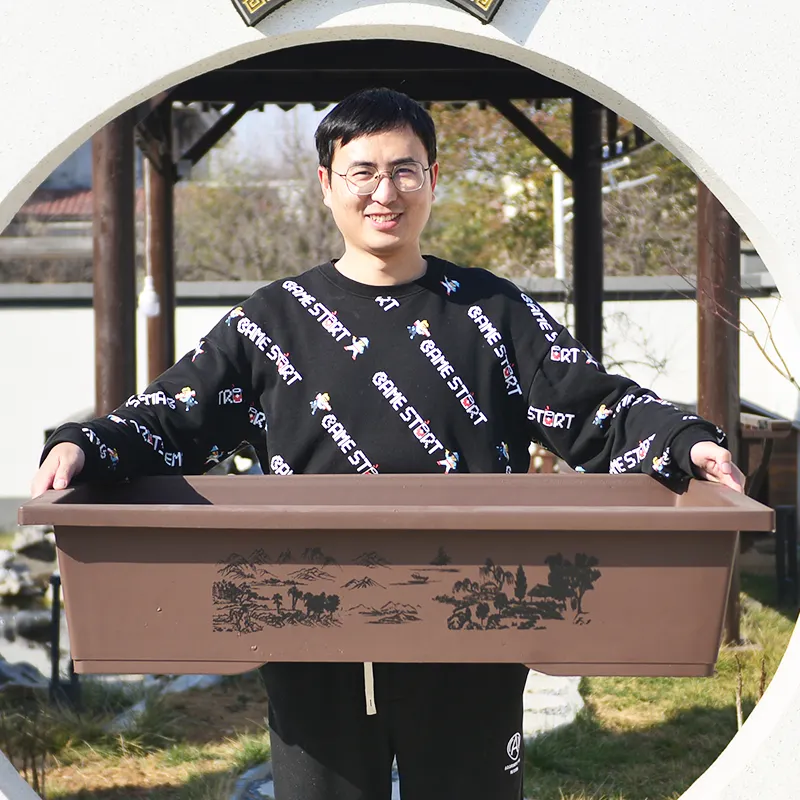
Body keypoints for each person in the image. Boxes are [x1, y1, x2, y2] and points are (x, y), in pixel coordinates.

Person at [32, 88, 744, 800]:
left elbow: (598, 408)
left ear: (433, 179)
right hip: (305, 623)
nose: (385, 192)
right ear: (326, 185)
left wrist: (683, 441)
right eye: (362, 171)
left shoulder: (492, 311)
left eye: (406, 170)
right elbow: (171, 417)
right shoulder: (274, 322)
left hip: (476, 618)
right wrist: (85, 446)